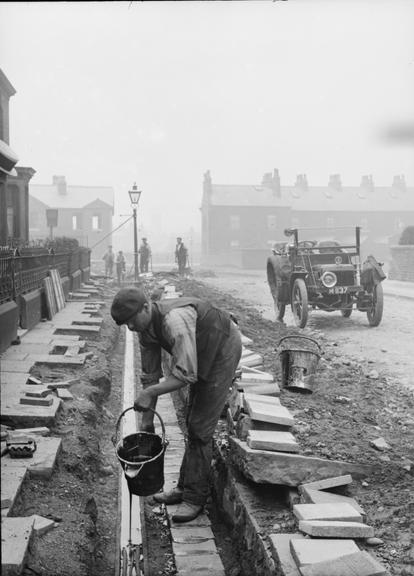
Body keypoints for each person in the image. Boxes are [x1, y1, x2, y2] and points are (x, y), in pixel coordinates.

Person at [110, 287, 242, 523]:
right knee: (192, 420)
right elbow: (150, 375)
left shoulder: (174, 322)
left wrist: (149, 393)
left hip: (222, 347)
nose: (130, 327)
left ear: (146, 307)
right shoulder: (145, 329)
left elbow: (185, 375)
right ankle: (184, 487)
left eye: (132, 320)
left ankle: (194, 498)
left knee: (201, 429)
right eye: (126, 324)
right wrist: (147, 421)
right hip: (199, 351)